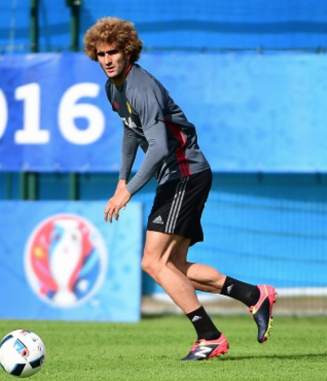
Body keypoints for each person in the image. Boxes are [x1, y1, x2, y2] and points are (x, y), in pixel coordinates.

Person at [83, 17, 277, 361]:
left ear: (128, 52)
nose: (108, 59)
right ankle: (254, 295)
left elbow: (157, 147)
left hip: (184, 174)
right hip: (177, 177)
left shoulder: (141, 87)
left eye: (113, 51)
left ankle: (209, 336)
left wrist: (128, 193)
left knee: (152, 262)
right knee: (172, 265)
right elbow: (131, 131)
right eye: (101, 54)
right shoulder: (113, 88)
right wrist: (122, 180)